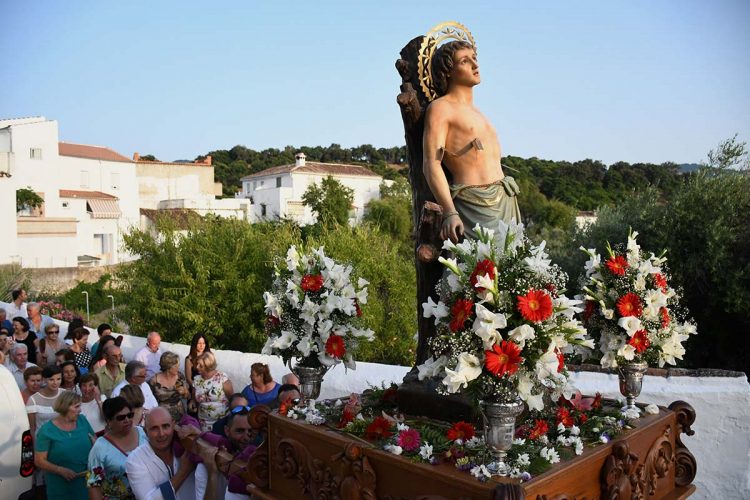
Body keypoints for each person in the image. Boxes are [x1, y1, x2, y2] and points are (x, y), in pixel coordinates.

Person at [422, 39, 521, 243]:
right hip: (474, 205)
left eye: (474, 59)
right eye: (465, 61)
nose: (475, 65)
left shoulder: (479, 114)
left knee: (513, 270)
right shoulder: (441, 108)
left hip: (506, 202)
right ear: (448, 71)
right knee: (479, 271)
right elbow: (431, 164)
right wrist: (450, 211)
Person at [125, 407, 197, 500]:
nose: (161, 434)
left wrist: (198, 434)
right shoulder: (135, 460)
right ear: (146, 432)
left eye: (165, 426)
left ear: (173, 425)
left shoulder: (185, 446)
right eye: (154, 428)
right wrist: (183, 472)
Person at [34, 391, 95, 499]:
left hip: (87, 482)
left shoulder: (82, 420)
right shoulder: (47, 431)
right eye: (76, 407)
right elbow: (39, 460)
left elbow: (94, 442)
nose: (80, 410)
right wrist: (60, 470)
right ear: (65, 407)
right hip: (60, 487)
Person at [87, 397, 148, 500]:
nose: (127, 420)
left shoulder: (143, 433)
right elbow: (93, 485)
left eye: (130, 415)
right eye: (121, 418)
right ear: (109, 421)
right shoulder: (100, 447)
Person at [195, 408, 258, 500]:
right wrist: (212, 474)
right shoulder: (207, 464)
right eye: (240, 431)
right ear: (227, 431)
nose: (246, 437)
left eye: (250, 431)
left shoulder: (258, 462)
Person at [193, 351, 233, 431]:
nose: (197, 367)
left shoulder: (222, 378)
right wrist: (192, 403)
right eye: (197, 364)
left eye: (200, 365)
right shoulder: (196, 380)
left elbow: (232, 398)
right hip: (203, 423)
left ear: (208, 366)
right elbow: (194, 399)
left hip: (221, 422)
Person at [149, 351, 190, 421]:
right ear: (168, 367)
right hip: (162, 415)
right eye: (175, 366)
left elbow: (188, 396)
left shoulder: (180, 377)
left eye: (178, 365)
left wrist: (185, 392)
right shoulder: (154, 381)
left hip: (179, 414)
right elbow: (149, 400)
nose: (178, 368)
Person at [27, 365, 65, 439]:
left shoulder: (65, 394)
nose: (55, 382)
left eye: (58, 379)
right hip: (42, 440)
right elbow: (32, 429)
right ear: (44, 380)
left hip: (62, 439)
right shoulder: (33, 400)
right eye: (51, 379)